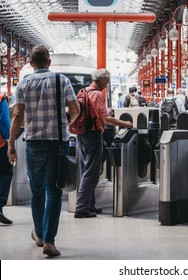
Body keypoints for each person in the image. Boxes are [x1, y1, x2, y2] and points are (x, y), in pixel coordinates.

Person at [7, 45, 80, 257]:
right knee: (53, 192)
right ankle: (49, 241)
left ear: (31, 64)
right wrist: (64, 124)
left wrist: (11, 144)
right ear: (49, 62)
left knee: (36, 191)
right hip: (57, 145)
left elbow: (17, 116)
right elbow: (75, 110)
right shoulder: (61, 80)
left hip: (32, 144)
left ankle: (38, 234)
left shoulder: (23, 83)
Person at [75, 68, 132, 219]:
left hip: (81, 135)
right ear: (101, 80)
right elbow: (105, 119)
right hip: (93, 135)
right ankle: (81, 208)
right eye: (106, 81)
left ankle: (89, 204)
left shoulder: (83, 91)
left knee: (85, 170)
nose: (106, 84)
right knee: (91, 173)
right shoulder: (97, 95)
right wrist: (124, 123)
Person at [0, 93, 12, 225]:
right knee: (5, 172)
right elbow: (3, 121)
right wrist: (8, 138)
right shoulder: (1, 98)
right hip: (0, 144)